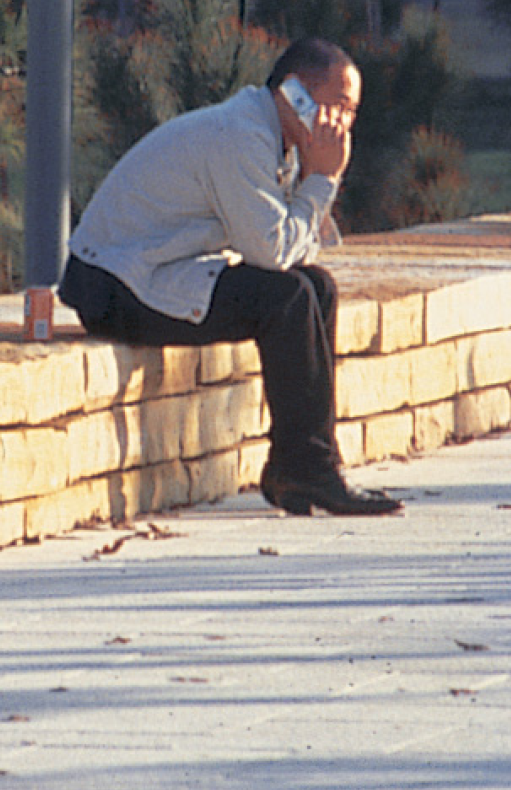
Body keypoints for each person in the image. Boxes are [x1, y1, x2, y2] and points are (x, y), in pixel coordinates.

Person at [56, 38, 401, 516]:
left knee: (316, 288)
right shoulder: (239, 135)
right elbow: (271, 251)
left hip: (154, 273)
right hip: (113, 285)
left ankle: (302, 467)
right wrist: (322, 180)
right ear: (295, 92)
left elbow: (294, 249)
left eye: (352, 112)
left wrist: (316, 178)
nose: (344, 125)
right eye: (338, 106)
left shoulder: (271, 137)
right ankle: (305, 470)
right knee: (288, 299)